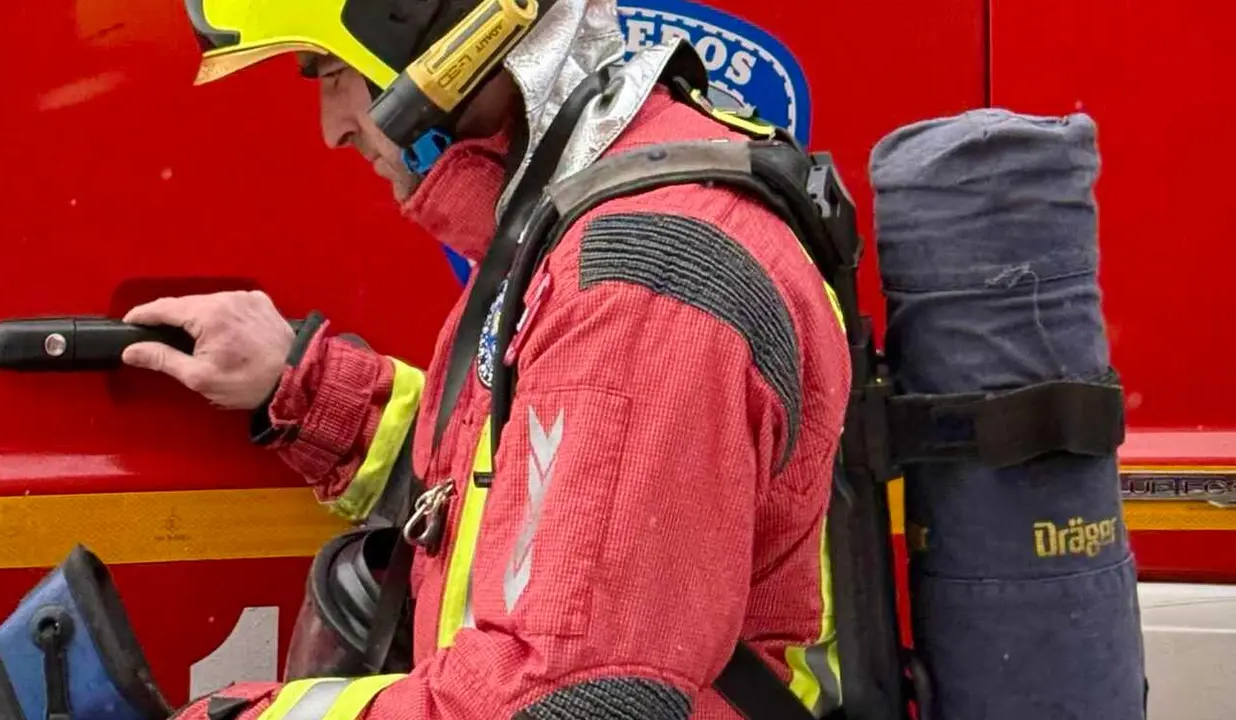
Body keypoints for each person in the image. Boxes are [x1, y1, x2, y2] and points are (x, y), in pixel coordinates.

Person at [132, 0, 851, 717]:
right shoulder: (572, 219)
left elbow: (564, 699)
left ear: (428, 39)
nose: (333, 129)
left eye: (330, 72)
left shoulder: (639, 284)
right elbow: (521, 487)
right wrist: (313, 390)